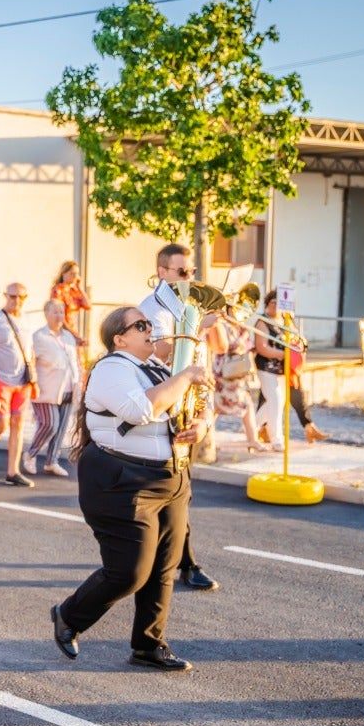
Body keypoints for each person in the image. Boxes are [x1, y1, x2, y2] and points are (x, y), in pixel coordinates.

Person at [50, 306, 210, 672]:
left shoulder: (159, 367)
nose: (149, 329)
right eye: (140, 325)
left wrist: (201, 425)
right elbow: (140, 411)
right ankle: (69, 616)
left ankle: (148, 645)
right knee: (129, 571)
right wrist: (185, 376)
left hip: (171, 476)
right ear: (119, 338)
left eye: (149, 324)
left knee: (164, 568)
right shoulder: (111, 368)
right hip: (121, 482)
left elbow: (200, 405)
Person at [139, 243, 220, 591]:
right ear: (162, 273)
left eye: (193, 272)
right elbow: (161, 355)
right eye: (183, 273)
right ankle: (177, 563)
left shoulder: (190, 309)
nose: (191, 279)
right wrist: (197, 330)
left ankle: (181, 562)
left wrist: (204, 417)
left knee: (179, 494)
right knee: (167, 496)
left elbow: (205, 372)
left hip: (185, 413)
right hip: (157, 417)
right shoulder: (149, 310)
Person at [0, 282, 38, 487]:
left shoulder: (27, 321)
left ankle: (13, 471)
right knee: (1, 423)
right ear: (5, 296)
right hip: (0, 379)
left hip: (23, 381)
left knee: (18, 424)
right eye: (13, 296)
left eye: (21, 297)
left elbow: (30, 351)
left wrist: (34, 379)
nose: (17, 301)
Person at [253, 291, 330, 446]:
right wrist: (284, 354)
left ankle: (251, 427)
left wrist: (297, 348)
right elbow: (261, 347)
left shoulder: (286, 320)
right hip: (267, 368)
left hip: (285, 369)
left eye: (278, 303)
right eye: (272, 302)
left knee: (275, 402)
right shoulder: (263, 321)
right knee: (275, 400)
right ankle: (276, 439)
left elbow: (297, 339)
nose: (275, 306)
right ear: (267, 303)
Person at [25, 299, 81, 477]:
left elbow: (75, 362)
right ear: (46, 314)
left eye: (61, 312)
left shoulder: (68, 337)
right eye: (55, 312)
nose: (59, 316)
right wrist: (31, 385)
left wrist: (80, 380)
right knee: (50, 424)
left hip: (68, 389)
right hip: (46, 390)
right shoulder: (39, 337)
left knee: (62, 428)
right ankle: (30, 453)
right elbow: (30, 362)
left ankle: (51, 461)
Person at [207, 314, 265, 453]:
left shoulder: (240, 326)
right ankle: (207, 441)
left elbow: (248, 347)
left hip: (238, 373)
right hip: (224, 371)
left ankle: (252, 440)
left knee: (246, 404)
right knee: (214, 407)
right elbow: (224, 346)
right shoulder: (222, 324)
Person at [51, 259, 92, 348]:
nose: (75, 277)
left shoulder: (74, 291)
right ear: (63, 274)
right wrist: (73, 336)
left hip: (74, 329)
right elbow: (59, 316)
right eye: (72, 274)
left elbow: (88, 306)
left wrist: (80, 287)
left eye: (77, 274)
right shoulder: (58, 290)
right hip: (63, 331)